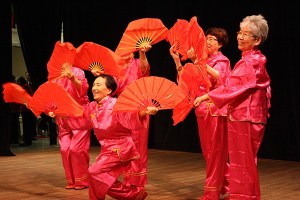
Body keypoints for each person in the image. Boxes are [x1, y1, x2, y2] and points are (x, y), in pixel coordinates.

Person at [194, 14, 271, 200]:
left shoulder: (252, 61)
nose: (240, 36)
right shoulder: (249, 60)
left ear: (257, 39)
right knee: (242, 162)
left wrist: (207, 96)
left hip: (246, 116)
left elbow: (232, 86)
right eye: (240, 32)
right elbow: (233, 83)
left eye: (246, 34)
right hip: (242, 115)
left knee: (243, 162)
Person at [170, 27, 231, 200]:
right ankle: (232, 183)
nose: (208, 41)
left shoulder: (222, 60)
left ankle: (211, 193)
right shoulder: (201, 60)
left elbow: (223, 79)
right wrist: (178, 61)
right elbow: (185, 82)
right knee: (209, 153)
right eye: (207, 38)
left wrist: (199, 61)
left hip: (216, 110)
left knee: (215, 153)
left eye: (212, 39)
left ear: (219, 44)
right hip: (201, 110)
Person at [78, 74, 157, 200]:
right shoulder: (92, 107)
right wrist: (60, 115)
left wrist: (144, 112)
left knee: (94, 171)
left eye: (98, 85)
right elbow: (80, 118)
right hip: (107, 149)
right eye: (93, 85)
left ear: (109, 90)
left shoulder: (116, 104)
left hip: (121, 148)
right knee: (97, 177)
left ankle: (134, 195)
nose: (94, 88)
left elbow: (130, 115)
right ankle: (135, 195)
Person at [91, 45, 152, 189]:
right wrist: (99, 74)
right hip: (121, 108)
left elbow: (145, 69)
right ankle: (128, 180)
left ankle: (138, 184)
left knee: (139, 147)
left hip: (138, 106)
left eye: (128, 51)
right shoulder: (116, 69)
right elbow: (110, 86)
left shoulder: (138, 63)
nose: (124, 54)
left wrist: (142, 53)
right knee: (127, 145)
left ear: (132, 54)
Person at [52, 63, 91, 190]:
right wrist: (52, 109)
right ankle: (71, 180)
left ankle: (83, 180)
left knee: (76, 149)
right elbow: (53, 97)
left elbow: (83, 90)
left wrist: (72, 78)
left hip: (78, 116)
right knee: (65, 149)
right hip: (63, 117)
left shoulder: (77, 71)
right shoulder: (56, 77)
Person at [15, 75, 37, 146]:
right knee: (27, 125)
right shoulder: (25, 86)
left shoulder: (25, 87)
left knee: (26, 126)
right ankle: (27, 141)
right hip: (26, 109)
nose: (17, 83)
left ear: (20, 81)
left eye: (17, 82)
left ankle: (27, 141)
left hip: (26, 109)